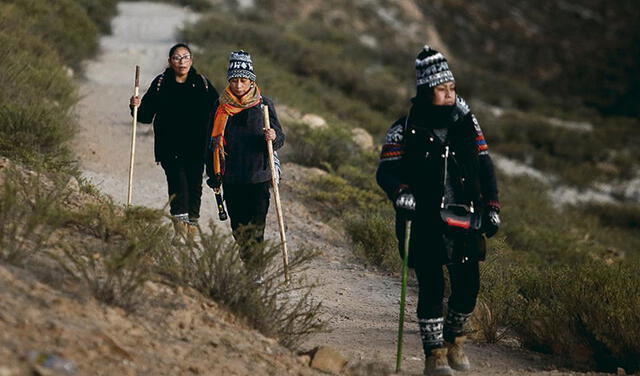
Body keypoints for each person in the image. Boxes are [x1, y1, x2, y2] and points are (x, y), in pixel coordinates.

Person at [376, 45, 501, 375]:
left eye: (452, 88)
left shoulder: (467, 124)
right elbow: (386, 171)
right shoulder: (404, 128)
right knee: (432, 287)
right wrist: (401, 192)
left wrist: (492, 206)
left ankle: (454, 340)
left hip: (466, 216)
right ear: (426, 90)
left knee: (468, 286)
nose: (449, 95)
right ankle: (434, 356)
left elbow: (486, 167)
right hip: (424, 219)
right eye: (442, 89)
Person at [129, 43, 219, 240]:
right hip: (169, 146)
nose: (181, 61)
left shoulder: (202, 83)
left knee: (195, 187)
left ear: (191, 60)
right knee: (178, 185)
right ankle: (180, 232)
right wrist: (135, 106)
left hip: (197, 147)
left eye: (185, 57)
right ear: (170, 61)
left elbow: (217, 111)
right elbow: (144, 116)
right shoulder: (161, 83)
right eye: (177, 57)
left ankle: (191, 232)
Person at [205, 50, 285, 266]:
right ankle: (248, 263)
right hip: (231, 178)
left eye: (243, 80)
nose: (238, 85)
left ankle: (255, 269)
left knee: (257, 227)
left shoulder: (263, 105)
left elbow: (280, 137)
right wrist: (213, 174)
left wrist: (273, 136)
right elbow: (210, 142)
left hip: (258, 178)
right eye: (234, 80)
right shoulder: (220, 106)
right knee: (238, 229)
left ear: (251, 81)